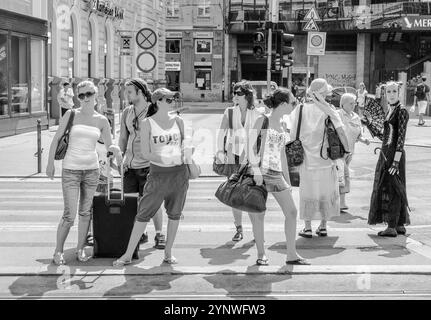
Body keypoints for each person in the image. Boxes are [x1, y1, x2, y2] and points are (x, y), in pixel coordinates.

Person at [46, 80, 122, 265]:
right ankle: (58, 251)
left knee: (85, 213)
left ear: (96, 95)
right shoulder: (71, 114)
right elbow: (56, 139)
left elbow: (108, 144)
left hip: (92, 170)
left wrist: (117, 150)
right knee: (69, 214)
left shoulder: (102, 120)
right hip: (70, 169)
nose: (85, 98)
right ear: (77, 97)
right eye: (81, 95)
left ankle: (80, 249)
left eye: (89, 94)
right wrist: (50, 164)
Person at [113, 88, 190, 266]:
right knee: (143, 214)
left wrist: (187, 152)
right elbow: (146, 153)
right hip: (158, 174)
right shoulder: (147, 123)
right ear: (158, 102)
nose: (173, 102)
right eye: (169, 100)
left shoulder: (178, 121)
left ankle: (168, 253)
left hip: (179, 174)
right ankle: (127, 254)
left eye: (173, 99)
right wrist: (165, 157)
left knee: (175, 214)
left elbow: (185, 142)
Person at [245, 87, 308, 265]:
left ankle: (291, 254)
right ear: (282, 104)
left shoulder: (282, 124)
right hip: (259, 172)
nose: (294, 105)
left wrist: (287, 180)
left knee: (292, 212)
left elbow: (281, 155)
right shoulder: (262, 120)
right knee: (259, 214)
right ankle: (261, 254)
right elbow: (249, 146)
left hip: (276, 173)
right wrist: (256, 170)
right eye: (293, 102)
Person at [289, 79, 351, 238]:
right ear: (324, 93)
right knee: (326, 192)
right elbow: (342, 133)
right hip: (327, 159)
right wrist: (347, 151)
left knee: (307, 192)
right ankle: (323, 226)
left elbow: (291, 134)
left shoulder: (300, 109)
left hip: (306, 160)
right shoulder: (330, 110)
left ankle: (307, 227)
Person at [118, 78, 166, 249]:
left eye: (130, 91)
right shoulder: (126, 112)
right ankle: (141, 233)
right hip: (130, 166)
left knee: (152, 202)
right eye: (126, 91)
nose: (127, 94)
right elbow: (123, 138)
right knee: (131, 203)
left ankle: (160, 234)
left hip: (149, 166)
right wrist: (119, 157)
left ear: (140, 92)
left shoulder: (153, 111)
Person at [216, 80, 264, 242]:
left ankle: (256, 231)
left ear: (247, 96)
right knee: (234, 193)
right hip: (233, 157)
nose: (235, 95)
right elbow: (222, 133)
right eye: (234, 92)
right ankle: (239, 229)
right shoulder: (229, 112)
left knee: (251, 193)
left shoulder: (257, 113)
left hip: (251, 159)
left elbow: (261, 136)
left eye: (239, 93)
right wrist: (220, 151)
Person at [363, 81, 410, 237]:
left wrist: (395, 162)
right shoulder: (391, 110)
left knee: (393, 188)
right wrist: (369, 124)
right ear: (384, 93)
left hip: (394, 155)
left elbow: (400, 140)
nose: (391, 94)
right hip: (386, 153)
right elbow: (385, 136)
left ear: (399, 93)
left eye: (394, 91)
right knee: (392, 186)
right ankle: (399, 224)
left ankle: (391, 226)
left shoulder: (401, 111)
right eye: (388, 92)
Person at [338, 93, 371, 211]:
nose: (354, 105)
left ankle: (339, 202)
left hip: (350, 152)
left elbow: (358, 135)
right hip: (339, 152)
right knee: (343, 176)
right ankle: (340, 202)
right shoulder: (337, 115)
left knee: (341, 177)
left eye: (354, 103)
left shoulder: (356, 117)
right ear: (343, 104)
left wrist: (364, 140)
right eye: (351, 103)